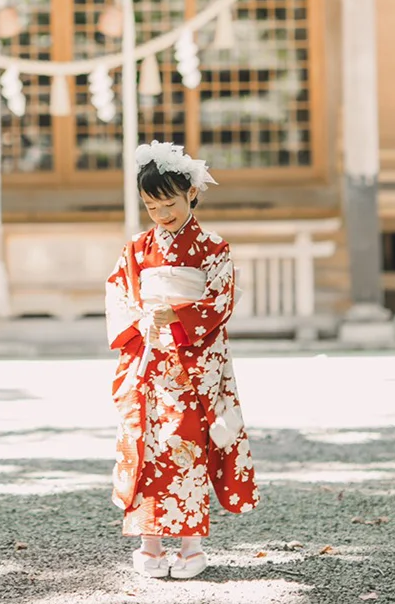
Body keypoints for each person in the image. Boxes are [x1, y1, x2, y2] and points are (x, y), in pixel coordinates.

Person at [105, 139, 258, 579]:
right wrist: (141, 319)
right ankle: (149, 544)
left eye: (168, 203)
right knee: (146, 447)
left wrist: (178, 314)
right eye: (151, 206)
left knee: (187, 447)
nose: (161, 214)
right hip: (150, 359)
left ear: (191, 193)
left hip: (194, 364)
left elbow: (221, 301)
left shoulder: (214, 247)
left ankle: (191, 546)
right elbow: (119, 294)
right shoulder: (136, 249)